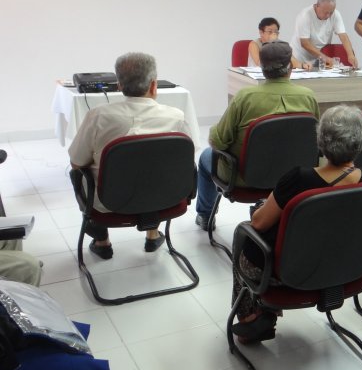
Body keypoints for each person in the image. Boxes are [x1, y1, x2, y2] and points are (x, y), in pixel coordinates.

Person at [229, 105, 362, 343]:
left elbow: (259, 223)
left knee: (244, 233)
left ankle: (250, 318)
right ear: (360, 143)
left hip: (289, 273)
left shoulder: (298, 180)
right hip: (350, 268)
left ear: (320, 141)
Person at [68, 52, 191, 259]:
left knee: (79, 173)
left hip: (108, 203)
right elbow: (185, 160)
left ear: (119, 86)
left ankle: (102, 241)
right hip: (165, 199)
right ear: (154, 85)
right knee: (157, 167)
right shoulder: (176, 117)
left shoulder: (98, 117)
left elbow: (76, 162)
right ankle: (153, 234)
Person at [196, 41, 320, 230]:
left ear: (262, 68)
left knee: (206, 156)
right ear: (290, 67)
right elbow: (315, 141)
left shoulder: (245, 97)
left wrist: (215, 131)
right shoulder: (308, 96)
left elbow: (217, 141)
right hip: (293, 179)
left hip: (243, 178)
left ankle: (205, 216)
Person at [289, 0, 358, 69]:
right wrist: (325, 58)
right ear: (317, 6)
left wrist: (351, 55)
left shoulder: (336, 14)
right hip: (300, 58)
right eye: (325, 12)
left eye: (331, 12)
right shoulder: (305, 15)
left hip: (319, 57)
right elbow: (305, 43)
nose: (328, 15)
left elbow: (343, 36)